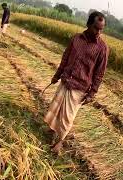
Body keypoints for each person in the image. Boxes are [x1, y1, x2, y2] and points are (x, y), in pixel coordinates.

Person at [44, 11, 109, 154]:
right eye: (96, 28)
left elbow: (99, 74)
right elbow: (65, 59)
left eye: (101, 29)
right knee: (57, 107)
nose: (98, 32)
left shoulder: (102, 48)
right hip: (66, 80)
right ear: (88, 24)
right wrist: (56, 76)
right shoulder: (76, 39)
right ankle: (52, 130)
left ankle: (60, 142)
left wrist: (92, 93)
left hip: (80, 87)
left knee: (68, 116)